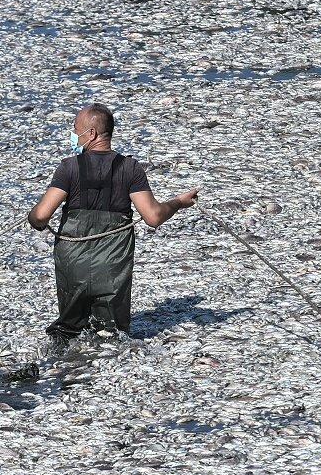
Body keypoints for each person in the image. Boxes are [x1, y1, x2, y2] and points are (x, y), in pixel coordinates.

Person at [28, 103, 198, 347]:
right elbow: (153, 217)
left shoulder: (69, 167)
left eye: (75, 129)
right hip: (112, 266)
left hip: (73, 265)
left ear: (91, 133)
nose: (73, 134)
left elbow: (42, 215)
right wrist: (179, 202)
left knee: (69, 334)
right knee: (111, 339)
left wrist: (32, 217)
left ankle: (60, 366)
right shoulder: (130, 168)